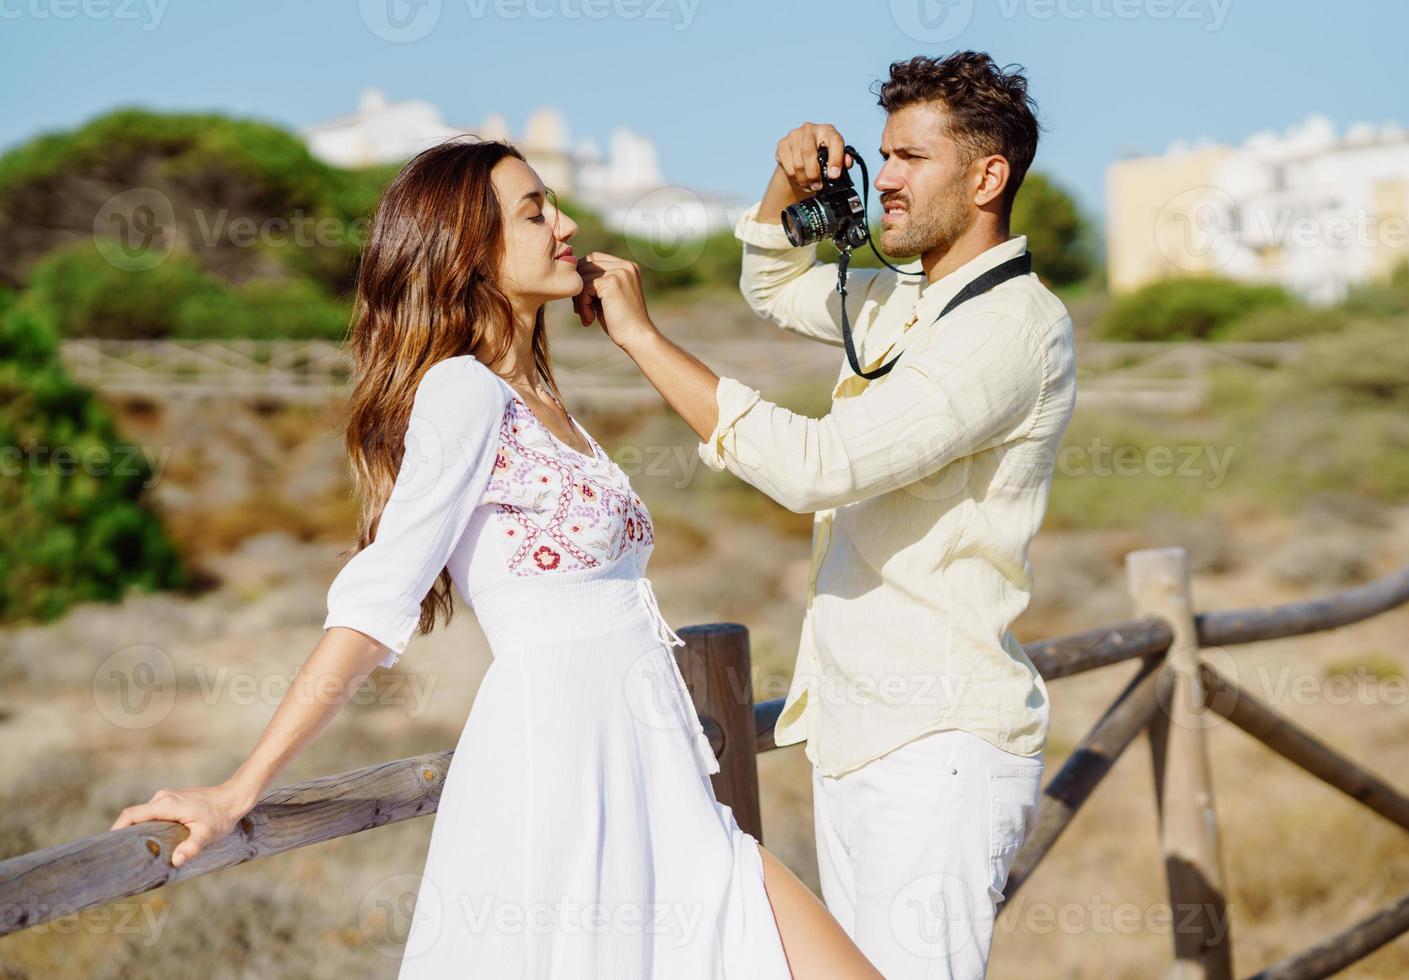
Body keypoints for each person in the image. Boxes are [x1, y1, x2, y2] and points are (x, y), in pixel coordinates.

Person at [110, 138, 882, 979]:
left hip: (658, 781)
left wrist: (638, 336)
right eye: (535, 210)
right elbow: (377, 600)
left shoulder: (543, 401)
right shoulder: (462, 391)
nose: (568, 224)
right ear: (469, 250)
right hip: (562, 769)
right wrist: (238, 790)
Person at [574, 51, 1077, 978]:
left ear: (987, 176)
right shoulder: (912, 296)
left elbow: (820, 467)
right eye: (882, 154)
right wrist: (785, 182)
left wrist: (642, 338)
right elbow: (771, 285)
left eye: (910, 160)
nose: (882, 178)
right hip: (865, 733)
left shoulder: (1007, 329)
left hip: (935, 748)